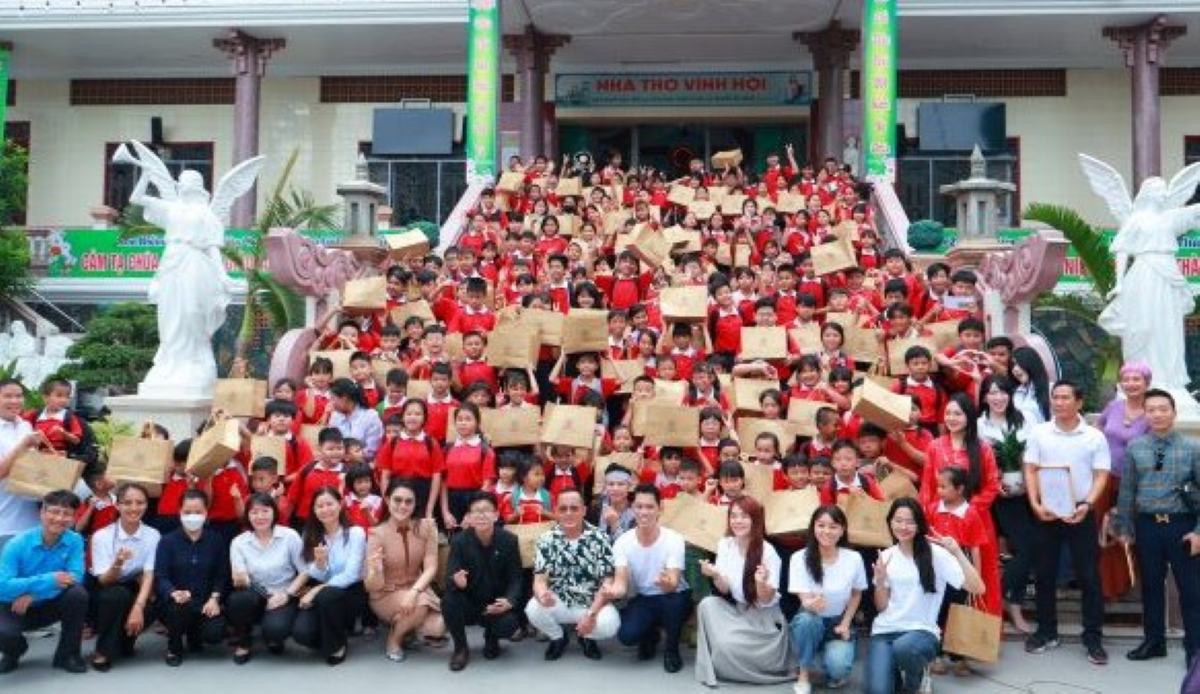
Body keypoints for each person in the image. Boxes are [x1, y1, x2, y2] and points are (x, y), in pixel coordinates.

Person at [1023, 380, 1111, 665]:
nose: (1059, 402)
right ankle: (1046, 631)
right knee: (1045, 575)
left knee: (1088, 576)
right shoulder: (1040, 433)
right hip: (1047, 512)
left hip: (1080, 512)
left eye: (1065, 398)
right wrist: (1035, 503)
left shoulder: (1094, 436)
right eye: (1055, 397)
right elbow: (1031, 468)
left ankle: (1093, 638)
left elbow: (1101, 475)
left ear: (1079, 402)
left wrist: (1088, 504)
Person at [1112, 388, 1200, 665]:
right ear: (1145, 414)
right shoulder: (1136, 447)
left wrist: (1199, 531)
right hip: (1147, 526)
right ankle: (1153, 642)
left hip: (1182, 525)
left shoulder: (1192, 448)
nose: (1158, 414)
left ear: (1174, 412)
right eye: (1151, 410)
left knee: (1191, 590)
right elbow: (1127, 490)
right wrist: (1124, 527)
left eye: (1163, 409)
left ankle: (1194, 649)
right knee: (1150, 586)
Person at [864, 498, 985, 694]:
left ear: (920, 524)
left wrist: (956, 552)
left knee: (904, 649)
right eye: (898, 520)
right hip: (885, 632)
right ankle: (896, 671)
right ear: (890, 522)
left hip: (921, 632)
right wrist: (879, 582)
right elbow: (882, 607)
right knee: (878, 690)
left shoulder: (936, 554)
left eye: (910, 521)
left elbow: (977, 588)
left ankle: (916, 678)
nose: (903, 526)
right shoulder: (885, 556)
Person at [918, 393, 1001, 616]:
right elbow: (926, 485)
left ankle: (976, 635)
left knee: (979, 574)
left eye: (958, 413)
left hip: (974, 519)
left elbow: (992, 484)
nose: (951, 418)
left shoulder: (982, 448)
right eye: (948, 413)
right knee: (940, 575)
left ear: (969, 416)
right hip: (939, 520)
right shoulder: (935, 446)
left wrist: (969, 508)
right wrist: (925, 516)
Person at [693, 496, 790, 687]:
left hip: (764, 618)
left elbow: (766, 599)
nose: (737, 521)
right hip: (738, 610)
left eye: (744, 516)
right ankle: (728, 653)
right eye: (733, 516)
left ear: (756, 520)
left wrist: (760, 583)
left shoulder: (768, 552)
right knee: (707, 604)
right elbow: (725, 588)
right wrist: (714, 575)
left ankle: (740, 657)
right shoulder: (725, 544)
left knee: (725, 646)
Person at [602, 484, 691, 673]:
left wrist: (667, 583)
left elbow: (674, 580)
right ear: (632, 508)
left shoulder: (674, 539)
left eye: (650, 507)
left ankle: (672, 649)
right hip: (644, 598)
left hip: (673, 595)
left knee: (672, 603)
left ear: (660, 508)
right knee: (626, 636)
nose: (644, 512)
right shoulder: (622, 542)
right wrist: (613, 590)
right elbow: (620, 579)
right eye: (639, 506)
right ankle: (650, 634)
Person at [525, 488, 620, 660]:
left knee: (610, 624)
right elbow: (539, 579)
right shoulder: (546, 539)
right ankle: (558, 638)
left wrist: (591, 615)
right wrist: (542, 594)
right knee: (532, 608)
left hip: (591, 602)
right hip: (560, 599)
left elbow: (607, 582)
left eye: (574, 508)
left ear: (583, 510)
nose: (568, 513)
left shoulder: (600, 538)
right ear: (556, 511)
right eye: (563, 509)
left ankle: (587, 637)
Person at [0, 489, 88, 674]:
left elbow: (76, 576)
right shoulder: (17, 544)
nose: (59, 518)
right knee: (5, 632)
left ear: (73, 518)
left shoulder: (74, 540)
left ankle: (67, 655)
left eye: (66, 514)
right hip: (14, 605)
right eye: (54, 512)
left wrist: (35, 594)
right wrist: (49, 580)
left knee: (77, 594)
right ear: (42, 513)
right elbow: (3, 586)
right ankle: (13, 652)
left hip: (47, 603)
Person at [976, 375, 1036, 634]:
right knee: (991, 554)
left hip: (1020, 494)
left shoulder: (1025, 419)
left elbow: (1034, 455)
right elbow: (975, 461)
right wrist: (995, 481)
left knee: (1026, 549)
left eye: (1003, 392)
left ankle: (1010, 604)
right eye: (992, 392)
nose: (998, 398)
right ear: (984, 397)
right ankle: (994, 609)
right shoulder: (978, 425)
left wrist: (1026, 483)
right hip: (990, 496)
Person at [364, 479, 444, 662]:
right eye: (397, 500)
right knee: (421, 604)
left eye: (409, 501)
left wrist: (414, 592)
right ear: (387, 500)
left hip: (417, 588)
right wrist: (375, 571)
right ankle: (394, 638)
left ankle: (408, 625)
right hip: (386, 594)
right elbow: (370, 586)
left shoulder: (428, 527)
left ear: (415, 504)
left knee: (438, 627)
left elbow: (431, 567)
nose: (403, 506)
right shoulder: (377, 534)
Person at [789, 505, 867, 693]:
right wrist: (810, 604)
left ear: (842, 530)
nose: (826, 531)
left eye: (833, 526)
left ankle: (820, 659)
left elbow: (857, 593)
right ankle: (804, 673)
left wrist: (846, 623)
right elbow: (804, 600)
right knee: (808, 620)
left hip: (837, 621)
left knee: (838, 669)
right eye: (821, 525)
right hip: (810, 618)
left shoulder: (854, 558)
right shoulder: (799, 558)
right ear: (813, 527)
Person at [443, 491, 523, 671]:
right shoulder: (459, 541)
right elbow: (450, 577)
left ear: (496, 515)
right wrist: (458, 582)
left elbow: (516, 578)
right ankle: (461, 648)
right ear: (469, 518)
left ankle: (491, 637)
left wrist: (509, 601)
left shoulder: (509, 540)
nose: (481, 515)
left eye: (486, 510)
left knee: (509, 625)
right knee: (449, 600)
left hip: (496, 603)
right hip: (471, 601)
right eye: (475, 511)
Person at [87, 482, 161, 671]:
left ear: (147, 505)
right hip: (105, 589)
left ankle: (125, 641)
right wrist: (118, 563)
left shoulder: (153, 535)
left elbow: (149, 573)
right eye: (127, 503)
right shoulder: (102, 536)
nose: (134, 508)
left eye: (140, 502)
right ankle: (102, 651)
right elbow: (103, 580)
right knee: (117, 595)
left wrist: (139, 606)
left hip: (134, 586)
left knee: (153, 603)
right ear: (117, 505)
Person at [226, 492, 306, 664]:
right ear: (247, 516)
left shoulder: (289, 536)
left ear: (274, 512)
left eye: (265, 511)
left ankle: (272, 634)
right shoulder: (239, 542)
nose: (260, 516)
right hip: (255, 592)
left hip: (284, 593)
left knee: (275, 630)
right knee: (238, 600)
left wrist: (286, 595)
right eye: (254, 512)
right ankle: (244, 642)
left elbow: (304, 572)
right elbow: (240, 577)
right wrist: (239, 579)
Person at [1095, 361, 1151, 601]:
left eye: (1136, 379)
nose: (1131, 383)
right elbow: (1097, 428)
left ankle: (1129, 583)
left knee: (1126, 529)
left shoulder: (1153, 410)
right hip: (1104, 477)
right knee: (1102, 529)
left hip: (1134, 481)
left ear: (1147, 382)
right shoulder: (1113, 407)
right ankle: (1106, 588)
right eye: (1126, 379)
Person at [292, 487, 367, 666]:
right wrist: (319, 564)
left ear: (340, 505)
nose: (325, 509)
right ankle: (336, 630)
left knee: (328, 595)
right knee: (302, 634)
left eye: (329, 504)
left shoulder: (355, 533)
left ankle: (337, 645)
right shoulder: (310, 535)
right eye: (320, 506)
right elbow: (315, 574)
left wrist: (318, 589)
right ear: (314, 510)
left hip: (351, 592)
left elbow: (351, 574)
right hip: (323, 596)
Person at [154, 489, 229, 667]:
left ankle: (194, 634)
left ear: (206, 513)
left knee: (215, 633)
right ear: (179, 512)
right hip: (175, 603)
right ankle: (174, 647)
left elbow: (222, 574)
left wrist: (214, 598)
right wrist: (173, 592)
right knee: (178, 607)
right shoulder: (167, 541)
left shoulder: (215, 540)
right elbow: (160, 576)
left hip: (205, 603)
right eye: (187, 512)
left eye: (198, 512)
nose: (193, 516)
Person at [0, 378, 48, 550]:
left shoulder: (25, 426)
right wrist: (23, 445)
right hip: (4, 524)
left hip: (32, 521)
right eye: (8, 396)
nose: (14, 401)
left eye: (19, 396)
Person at [327, 378, 384, 463]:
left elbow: (372, 450)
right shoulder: (335, 416)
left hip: (363, 465)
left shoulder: (371, 416)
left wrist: (352, 457)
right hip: (339, 463)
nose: (331, 403)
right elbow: (331, 442)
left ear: (344, 398)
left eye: (333, 398)